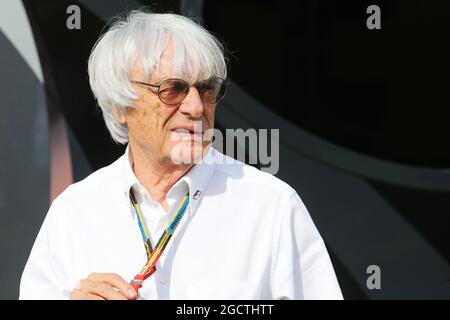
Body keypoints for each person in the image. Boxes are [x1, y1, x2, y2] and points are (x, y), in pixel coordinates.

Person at [19, 10, 343, 300]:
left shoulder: (271, 207)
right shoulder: (74, 213)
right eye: (172, 89)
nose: (196, 107)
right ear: (120, 106)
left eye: (207, 89)